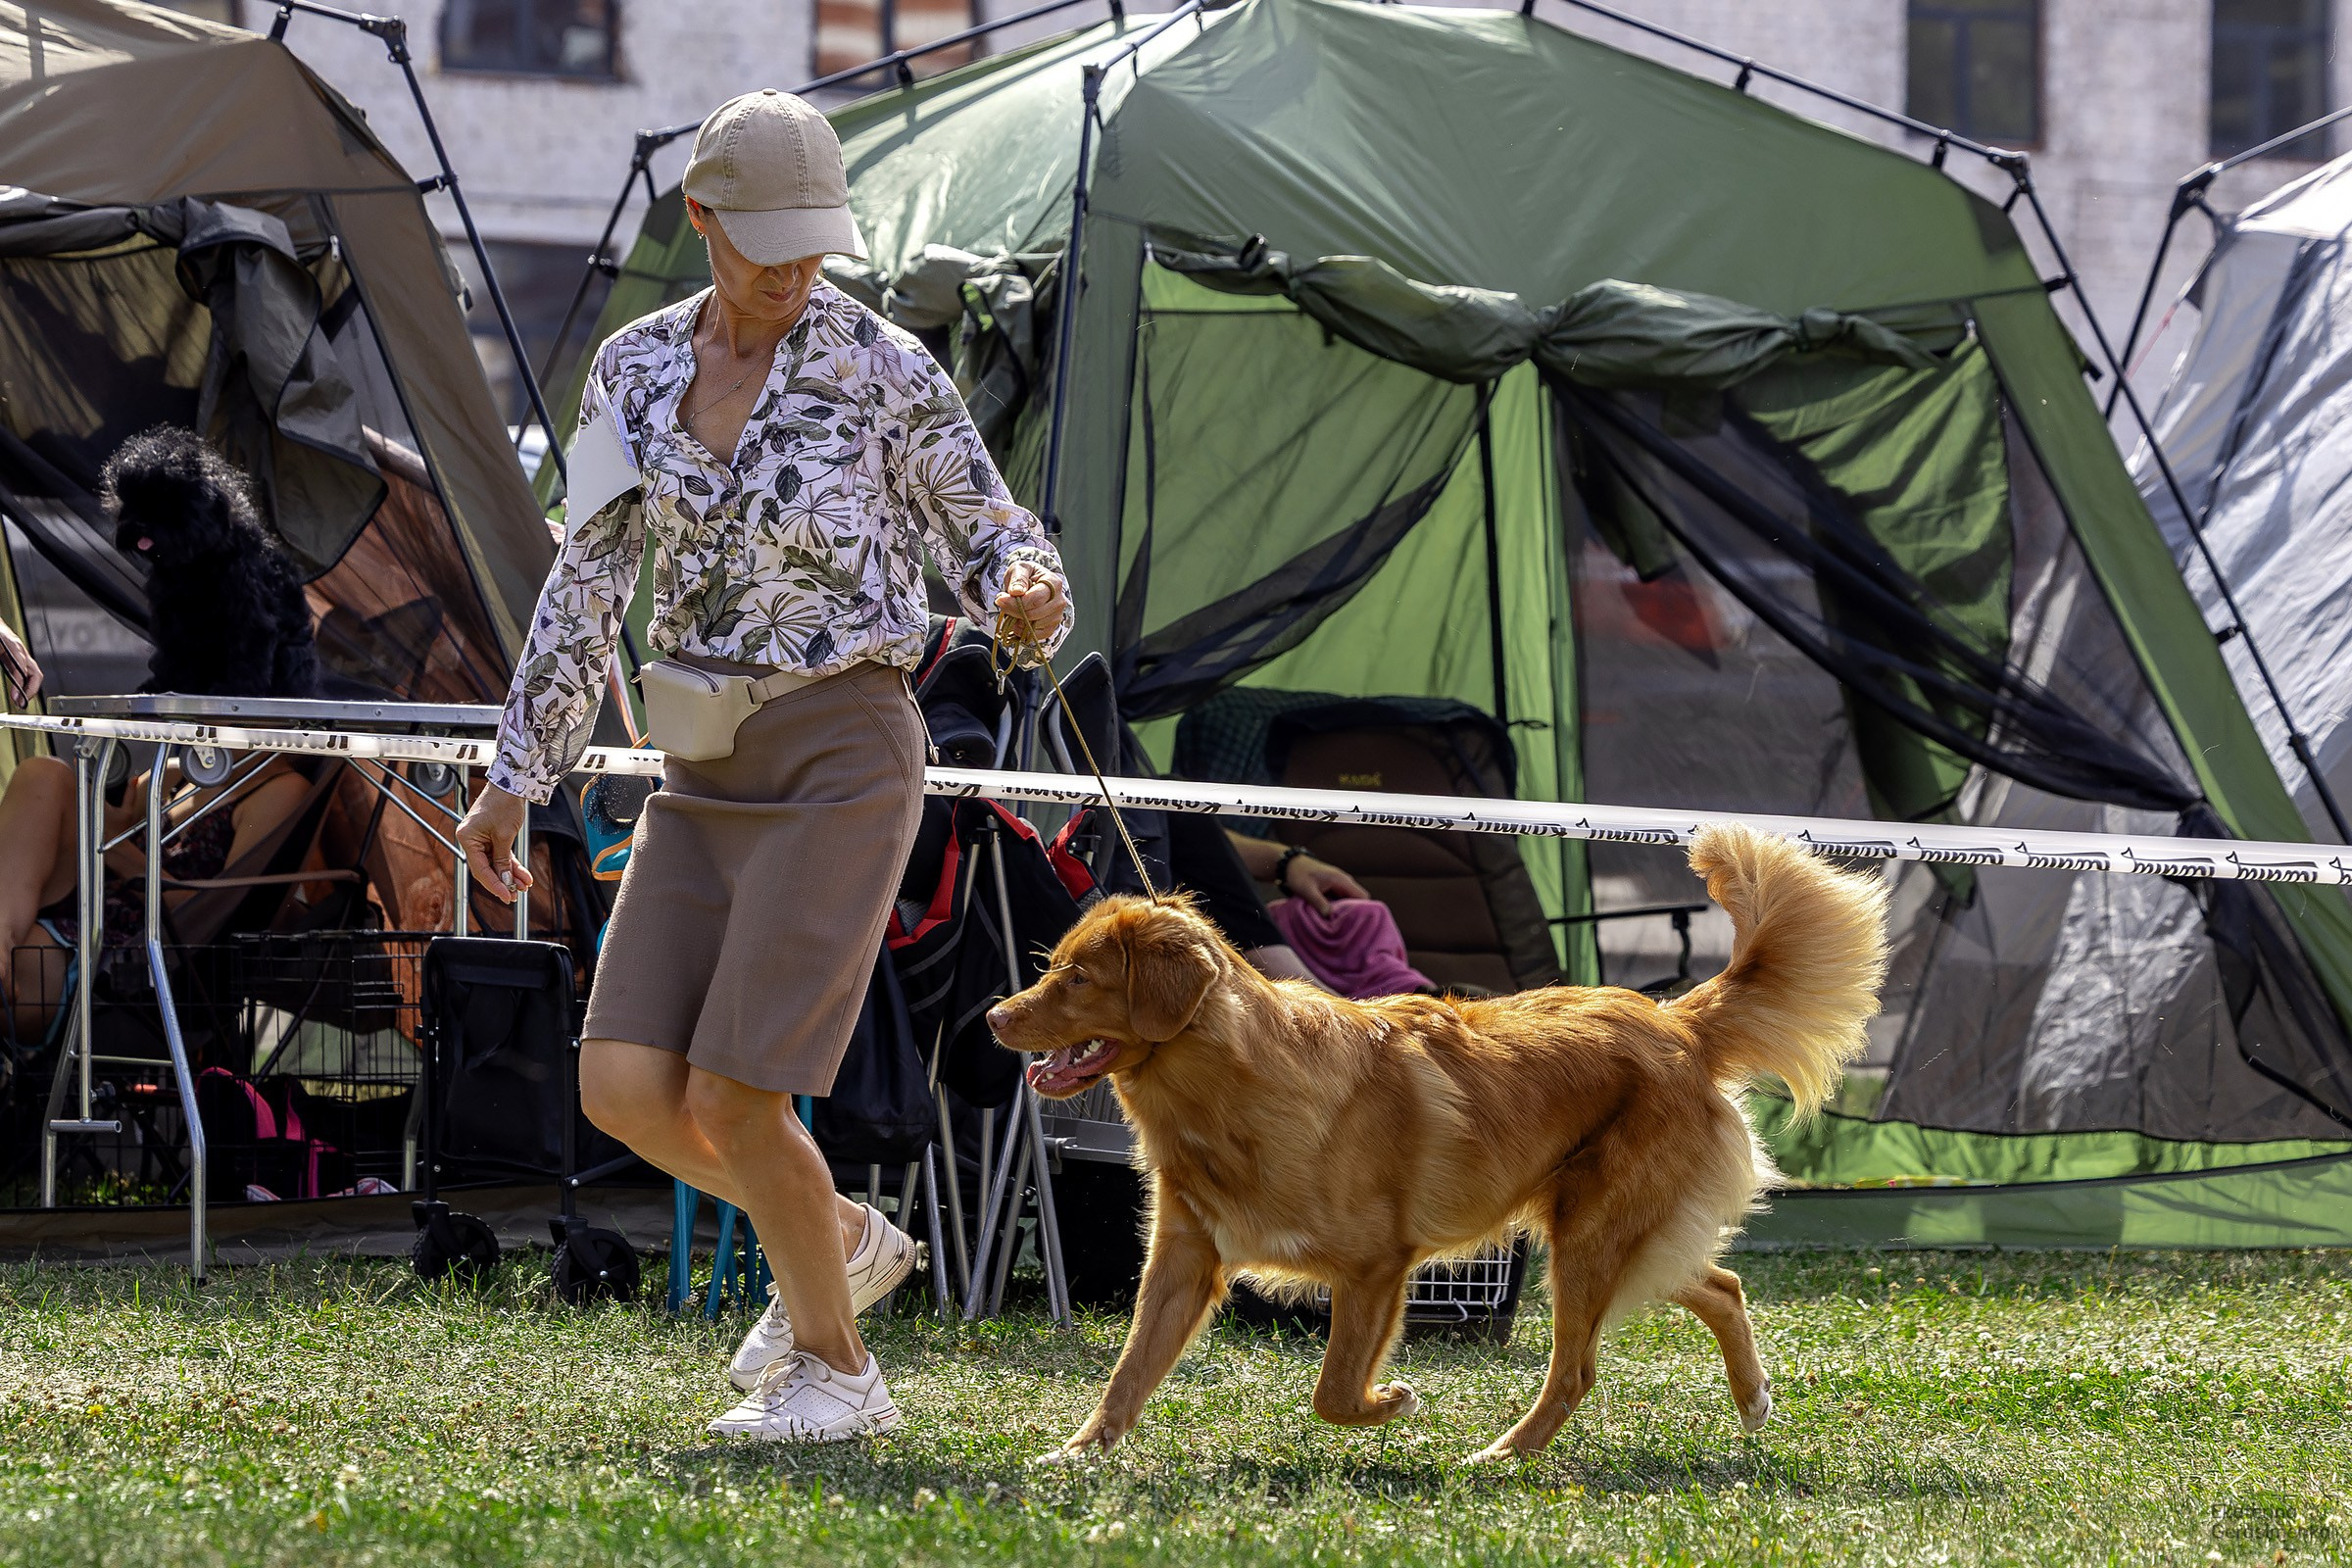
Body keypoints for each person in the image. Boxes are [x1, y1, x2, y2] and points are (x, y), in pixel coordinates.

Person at [456, 89, 1068, 1445]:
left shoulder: (884, 365)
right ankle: (840, 1235)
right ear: (701, 218)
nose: (793, 271)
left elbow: (992, 539)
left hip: (846, 747)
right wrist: (517, 774)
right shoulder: (628, 369)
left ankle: (839, 1377)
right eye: (765, 242)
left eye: (814, 243)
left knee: (738, 1093)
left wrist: (1026, 587)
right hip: (700, 764)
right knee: (625, 1087)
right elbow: (587, 583)